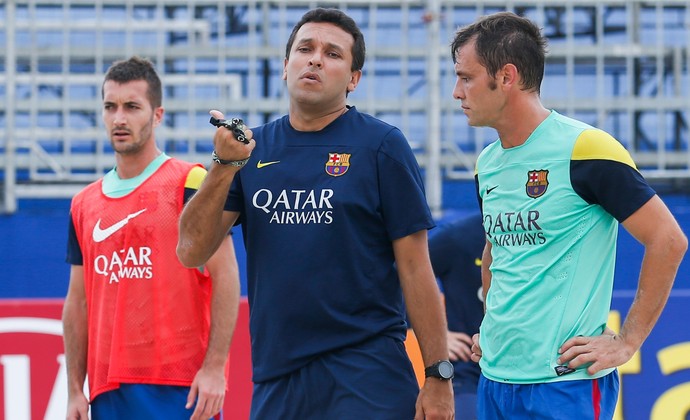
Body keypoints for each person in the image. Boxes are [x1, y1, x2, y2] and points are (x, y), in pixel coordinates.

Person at [176, 7, 454, 420]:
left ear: (354, 79)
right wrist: (222, 165)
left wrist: (438, 375)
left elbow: (416, 269)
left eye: (333, 53)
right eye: (305, 49)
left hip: (367, 371)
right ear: (286, 66)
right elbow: (190, 251)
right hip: (277, 376)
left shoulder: (383, 147)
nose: (316, 59)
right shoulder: (250, 150)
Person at [450, 11, 688, 418]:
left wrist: (627, 342)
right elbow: (494, 253)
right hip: (495, 377)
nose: (457, 92)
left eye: (466, 77)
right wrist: (494, 327)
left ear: (506, 77)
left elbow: (668, 240)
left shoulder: (587, 148)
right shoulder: (486, 163)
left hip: (565, 384)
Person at [62, 56, 240, 420]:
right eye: (110, 107)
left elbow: (226, 277)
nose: (119, 118)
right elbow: (77, 303)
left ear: (157, 115)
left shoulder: (189, 181)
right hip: (108, 389)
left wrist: (215, 368)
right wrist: (73, 391)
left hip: (181, 387)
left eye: (132, 107)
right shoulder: (83, 205)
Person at [428, 212, 484, 420]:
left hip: (531, 374)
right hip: (468, 374)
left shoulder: (547, 232)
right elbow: (402, 273)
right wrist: (439, 334)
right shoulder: (459, 236)